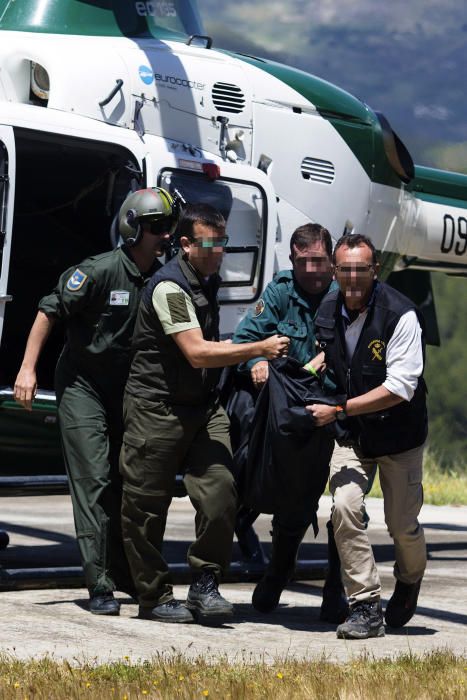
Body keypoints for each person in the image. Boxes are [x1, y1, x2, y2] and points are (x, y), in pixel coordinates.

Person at [120, 203, 290, 625]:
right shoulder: (169, 288)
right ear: (185, 244)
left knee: (221, 491)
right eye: (211, 245)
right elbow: (196, 353)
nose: (219, 254)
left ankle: (205, 583)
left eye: (224, 244)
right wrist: (258, 348)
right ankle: (154, 594)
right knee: (145, 507)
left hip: (201, 408)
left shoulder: (204, 279)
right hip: (156, 408)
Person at [13, 187, 179, 615]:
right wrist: (28, 369)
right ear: (133, 230)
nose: (164, 236)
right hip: (83, 388)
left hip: (127, 393)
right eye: (156, 229)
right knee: (94, 481)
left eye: (168, 228)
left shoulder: (163, 282)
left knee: (130, 483)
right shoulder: (99, 271)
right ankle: (100, 585)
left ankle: (127, 573)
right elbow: (49, 310)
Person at [307, 233, 427, 640]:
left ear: (375, 271)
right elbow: (331, 351)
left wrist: (339, 408)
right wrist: (301, 373)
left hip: (399, 435)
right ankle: (365, 605)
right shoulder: (328, 307)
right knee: (343, 507)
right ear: (335, 271)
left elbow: (399, 388)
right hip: (354, 436)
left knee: (402, 526)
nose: (353, 278)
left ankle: (409, 580)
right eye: (346, 270)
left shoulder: (401, 316)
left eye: (362, 269)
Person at [231, 223, 348, 623]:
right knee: (292, 497)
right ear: (293, 260)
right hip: (294, 414)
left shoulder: (348, 296)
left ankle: (337, 586)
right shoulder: (282, 292)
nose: (312, 270)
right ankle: (279, 570)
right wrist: (257, 359)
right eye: (303, 262)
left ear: (331, 260)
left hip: (341, 410)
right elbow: (245, 338)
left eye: (319, 261)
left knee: (347, 503)